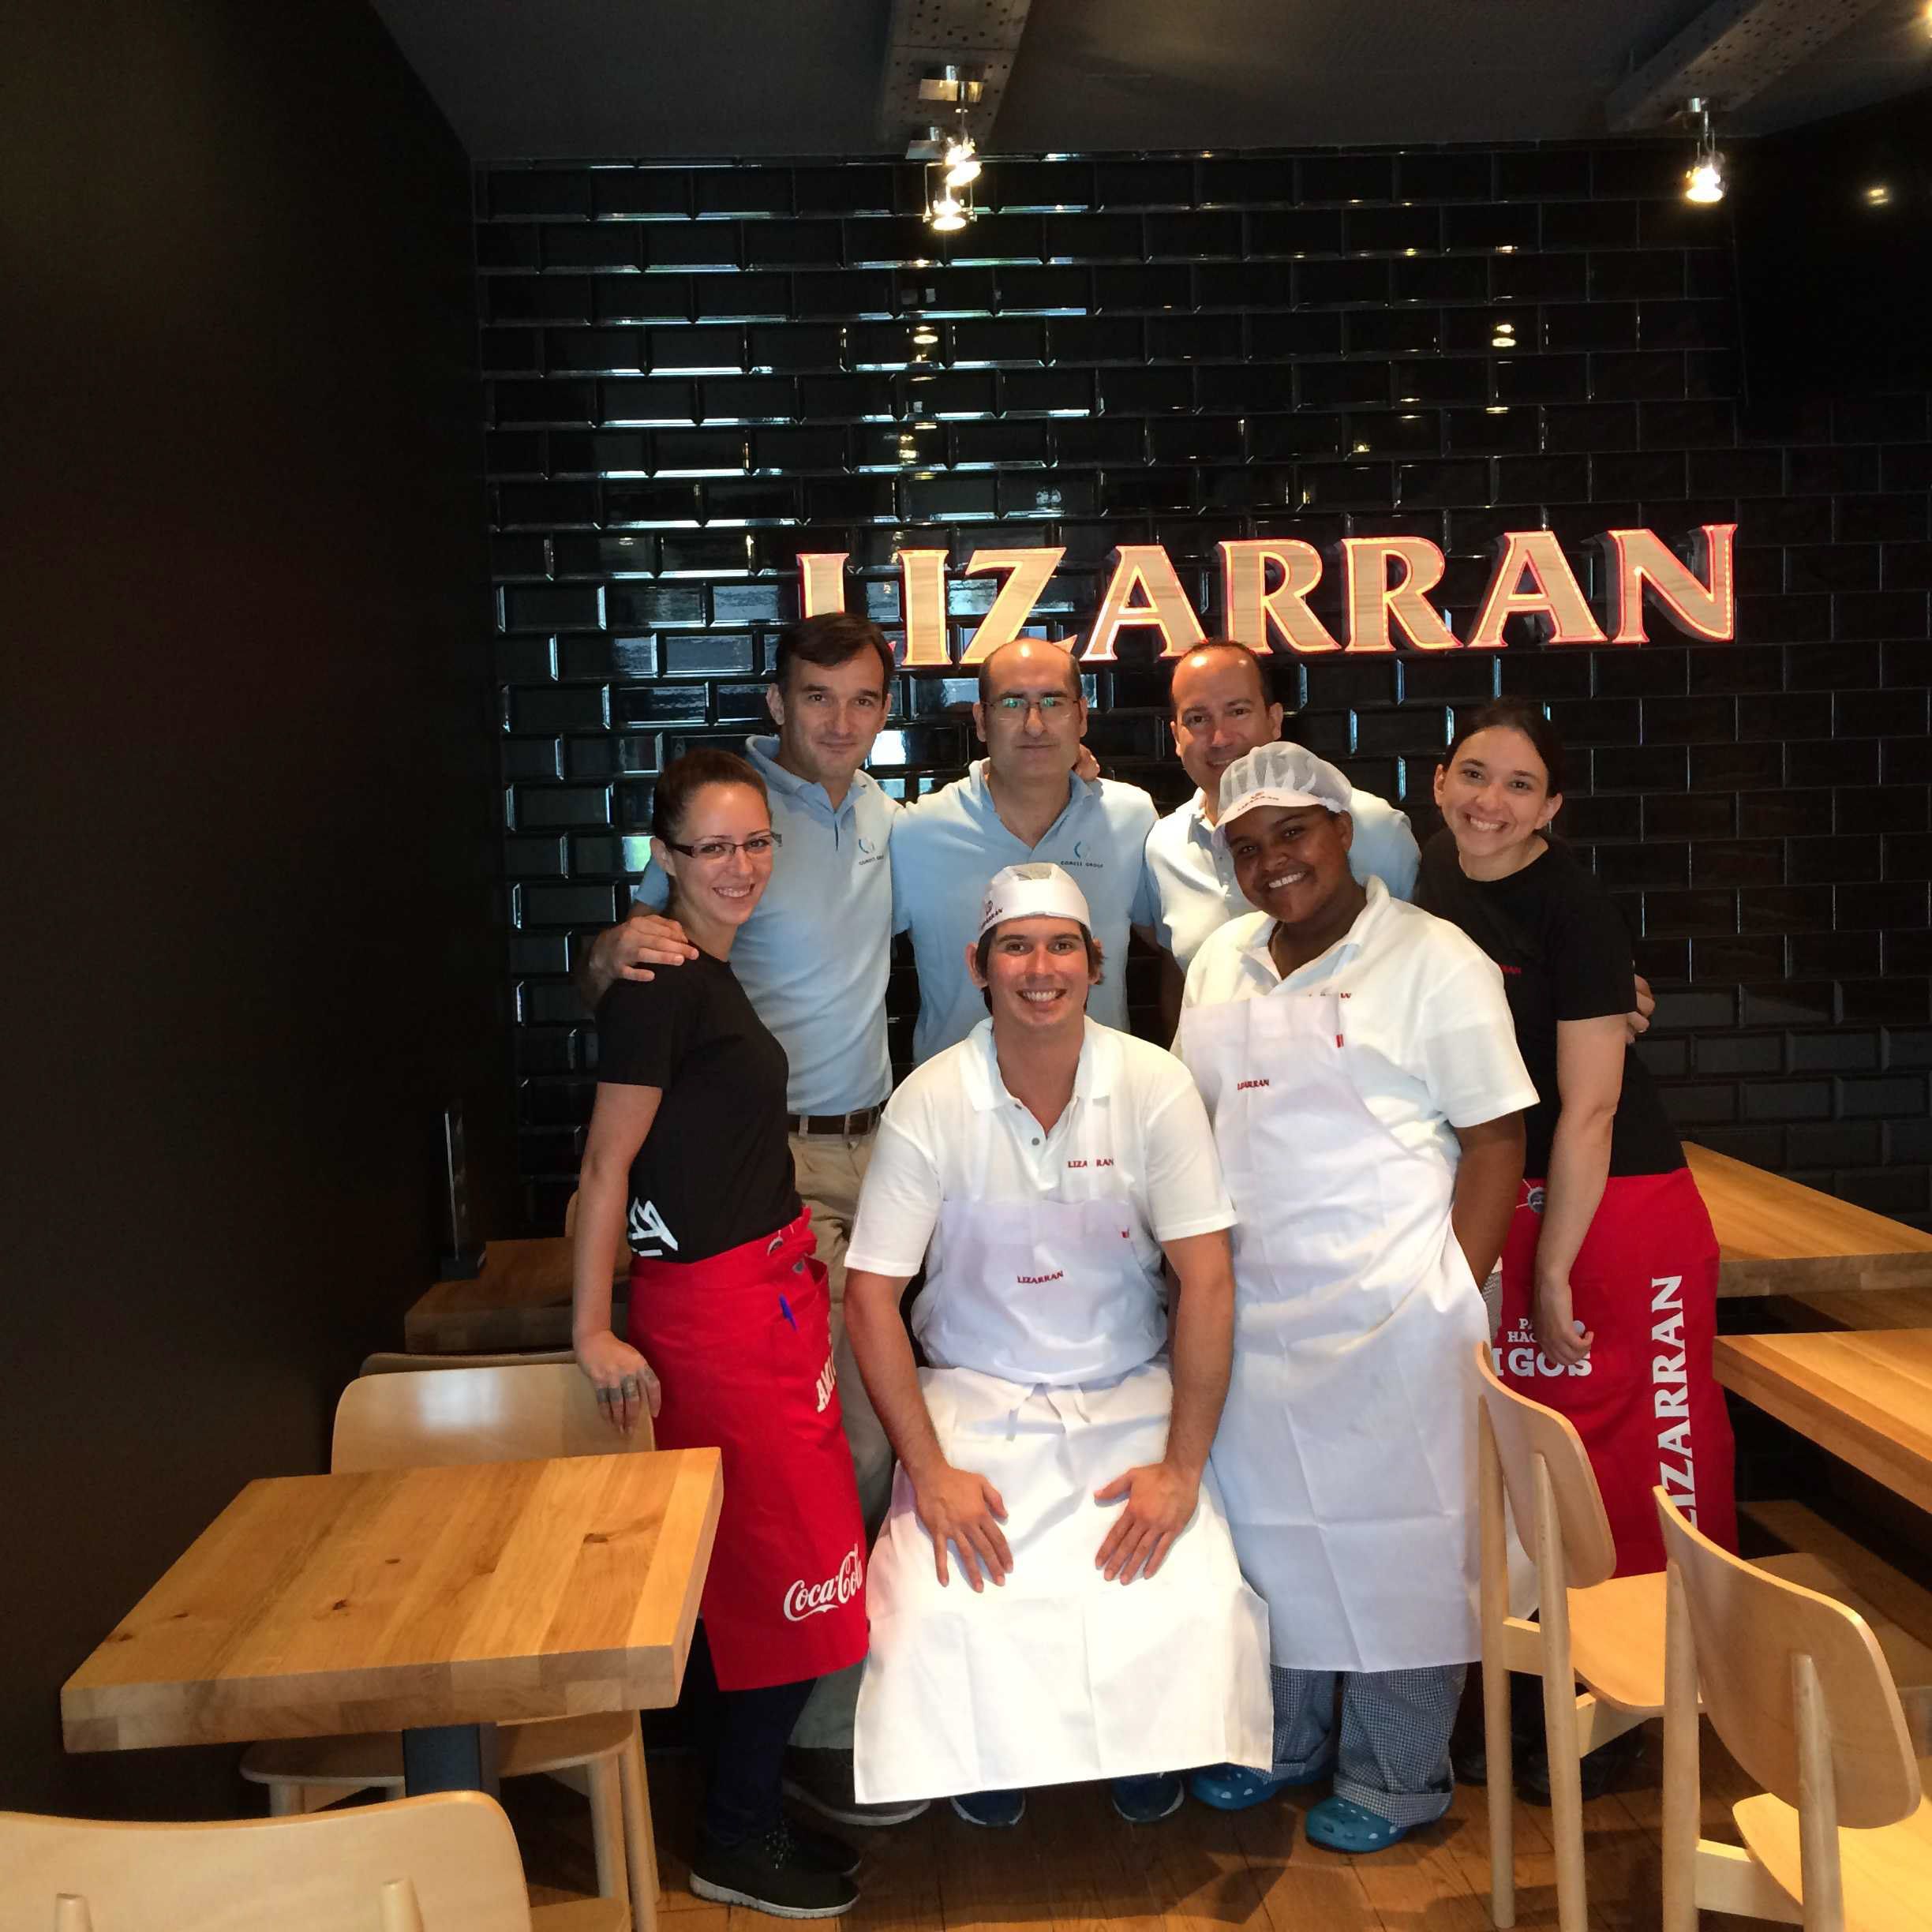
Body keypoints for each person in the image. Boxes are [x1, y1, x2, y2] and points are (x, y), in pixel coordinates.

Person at [841, 863, 1272, 1827]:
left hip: (1126, 1389)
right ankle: (985, 1754)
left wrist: (1180, 1469)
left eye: (1062, 946)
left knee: (1187, 1593)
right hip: (973, 1398)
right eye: (1016, 947)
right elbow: (871, 1297)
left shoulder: (1153, 1085)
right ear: (978, 965)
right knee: (943, 1603)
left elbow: (1206, 1279)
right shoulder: (930, 1100)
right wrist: (930, 1471)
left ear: (1096, 962)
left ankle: (1152, 1747)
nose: (1041, 969)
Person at [579, 615, 917, 1827]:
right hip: (774, 1176)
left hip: (887, 1150)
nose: (840, 720)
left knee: (880, 1443)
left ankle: (825, 1723)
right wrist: (603, 949)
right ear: (779, 703)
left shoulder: (889, 820)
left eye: (863, 699)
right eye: (817, 696)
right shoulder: (732, 813)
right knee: (848, 1453)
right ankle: (810, 1745)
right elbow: (628, 971)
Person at [1174, 742, 1536, 1850]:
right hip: (1259, 1317)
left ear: (1343, 831)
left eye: (1293, 833)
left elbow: (1496, 1138)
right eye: (1247, 848)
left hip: (1399, 1314)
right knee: (1271, 1541)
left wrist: (1449, 1292)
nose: (1273, 862)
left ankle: (1396, 1776)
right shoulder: (1221, 960)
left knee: (1406, 1550)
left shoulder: (1435, 959)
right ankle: (1279, 1741)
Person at [1415, 701, 1736, 1578]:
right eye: (1474, 775)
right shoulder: (1437, 868)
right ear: (1438, 783)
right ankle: (1561, 1642)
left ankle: (1686, 1637)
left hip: (1615, 1201)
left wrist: (1554, 1271)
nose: (1491, 803)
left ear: (1552, 807)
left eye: (1521, 786)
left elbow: (1592, 1110)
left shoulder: (1576, 906)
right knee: (1540, 1435)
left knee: (1652, 1440)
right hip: (1511, 1190)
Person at [892, 638, 1160, 1065]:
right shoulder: (916, 832)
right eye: (1012, 704)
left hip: (1102, 1091)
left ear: (1082, 716)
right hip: (955, 1098)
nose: (1034, 725)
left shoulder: (1130, 818)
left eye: (1053, 702)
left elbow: (1176, 942)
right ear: (981, 721)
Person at [1143, 641, 1419, 996]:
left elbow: (1418, 950)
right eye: (1197, 719)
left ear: (1274, 720)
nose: (1219, 737)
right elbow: (1177, 973)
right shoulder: (1163, 846)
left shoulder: (1378, 828)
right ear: (1176, 737)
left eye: (1238, 711)